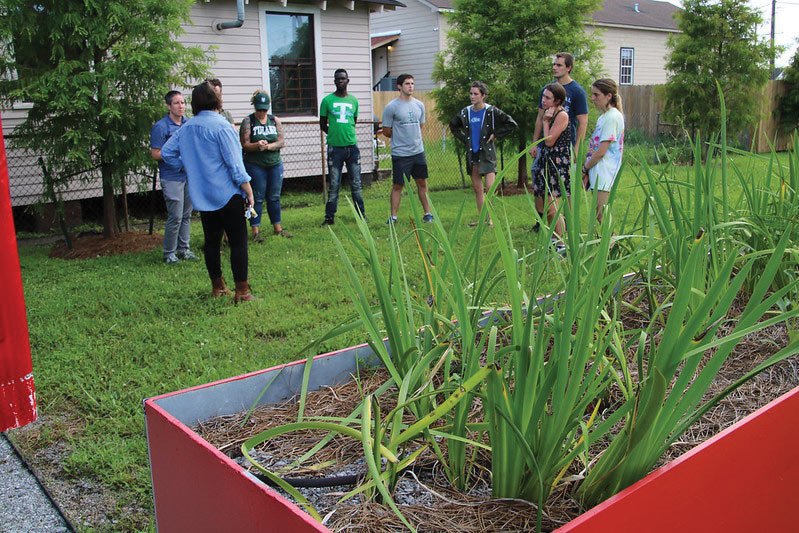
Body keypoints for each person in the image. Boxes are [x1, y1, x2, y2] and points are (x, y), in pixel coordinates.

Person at [160, 81, 259, 303]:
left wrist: (186, 166)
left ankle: (218, 288)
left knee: (211, 243)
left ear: (194, 104)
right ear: (217, 100)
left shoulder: (186, 128)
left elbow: (166, 153)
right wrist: (248, 190)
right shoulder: (223, 126)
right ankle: (242, 292)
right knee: (238, 243)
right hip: (228, 194)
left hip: (203, 195)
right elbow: (235, 166)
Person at [531, 52, 588, 229]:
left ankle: (568, 225)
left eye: (559, 65)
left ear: (568, 67)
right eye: (554, 65)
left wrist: (576, 148)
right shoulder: (547, 89)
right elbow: (540, 117)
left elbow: (582, 121)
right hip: (546, 146)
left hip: (561, 147)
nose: (555, 68)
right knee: (540, 185)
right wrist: (534, 143)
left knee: (562, 189)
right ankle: (541, 223)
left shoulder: (577, 91)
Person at [448, 81, 517, 226]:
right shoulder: (465, 112)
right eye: (471, 93)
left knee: (490, 188)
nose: (472, 97)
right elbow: (453, 125)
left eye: (476, 94)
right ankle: (483, 220)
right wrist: (465, 140)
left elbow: (510, 123)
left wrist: (496, 134)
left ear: (483, 96)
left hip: (487, 154)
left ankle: (490, 219)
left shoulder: (491, 111)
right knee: (477, 189)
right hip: (472, 154)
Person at [150, 90, 197, 264]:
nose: (181, 106)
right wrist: (177, 159)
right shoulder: (161, 127)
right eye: (176, 103)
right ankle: (169, 253)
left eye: (183, 102)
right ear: (168, 106)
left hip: (188, 175)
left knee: (186, 215)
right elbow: (156, 153)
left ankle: (184, 249)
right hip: (172, 176)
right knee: (175, 216)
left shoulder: (188, 124)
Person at [382, 74, 433, 225]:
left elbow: (420, 126)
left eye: (412, 83)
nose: (410, 86)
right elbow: (386, 130)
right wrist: (400, 136)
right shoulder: (392, 107)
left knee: (422, 183)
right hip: (400, 154)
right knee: (398, 185)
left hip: (418, 152)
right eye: (407, 84)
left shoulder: (419, 105)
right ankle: (393, 217)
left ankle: (428, 214)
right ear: (399, 86)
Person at [240, 90, 291, 240]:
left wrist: (268, 146)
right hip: (255, 165)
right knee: (257, 197)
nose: (262, 112)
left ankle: (278, 227)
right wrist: (257, 145)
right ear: (254, 107)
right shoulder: (248, 121)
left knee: (274, 196)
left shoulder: (275, 120)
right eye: (259, 109)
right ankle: (255, 230)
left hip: (274, 163)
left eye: (264, 109)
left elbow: (281, 142)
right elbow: (244, 144)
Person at [319, 68, 365, 225]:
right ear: (334, 81)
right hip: (335, 149)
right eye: (337, 79)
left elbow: (354, 121)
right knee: (334, 184)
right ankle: (329, 217)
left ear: (348, 80)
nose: (340, 81)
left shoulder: (354, 101)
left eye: (343, 78)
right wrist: (333, 134)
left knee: (356, 184)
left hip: (352, 148)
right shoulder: (327, 101)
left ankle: (361, 215)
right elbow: (322, 124)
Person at [530, 82, 571, 255]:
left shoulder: (561, 115)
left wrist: (546, 122)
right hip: (545, 160)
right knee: (543, 203)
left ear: (558, 100)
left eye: (548, 98)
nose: (543, 100)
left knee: (552, 205)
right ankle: (553, 240)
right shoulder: (548, 112)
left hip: (556, 163)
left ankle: (560, 244)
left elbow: (549, 141)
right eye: (543, 96)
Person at [582, 78, 625, 224]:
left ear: (609, 96)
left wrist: (584, 168)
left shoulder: (612, 117)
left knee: (602, 213)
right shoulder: (603, 117)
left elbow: (601, 151)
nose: (593, 98)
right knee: (599, 213)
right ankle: (609, 244)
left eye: (596, 95)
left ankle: (612, 245)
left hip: (605, 171)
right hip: (597, 169)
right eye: (592, 94)